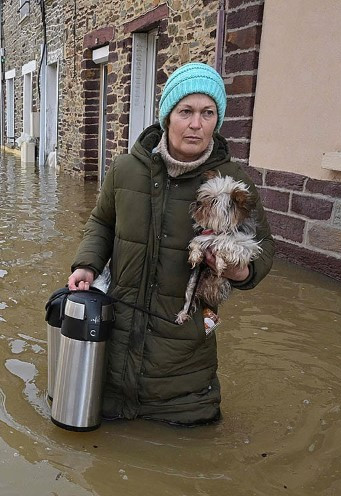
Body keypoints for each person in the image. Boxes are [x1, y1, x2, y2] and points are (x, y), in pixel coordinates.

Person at [67, 62, 275, 426]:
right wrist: (87, 264)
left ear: (217, 120)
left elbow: (264, 250)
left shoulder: (234, 183)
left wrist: (243, 271)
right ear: (168, 116)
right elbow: (101, 222)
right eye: (186, 112)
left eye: (207, 113)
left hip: (184, 379)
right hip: (112, 360)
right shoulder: (125, 170)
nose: (196, 124)